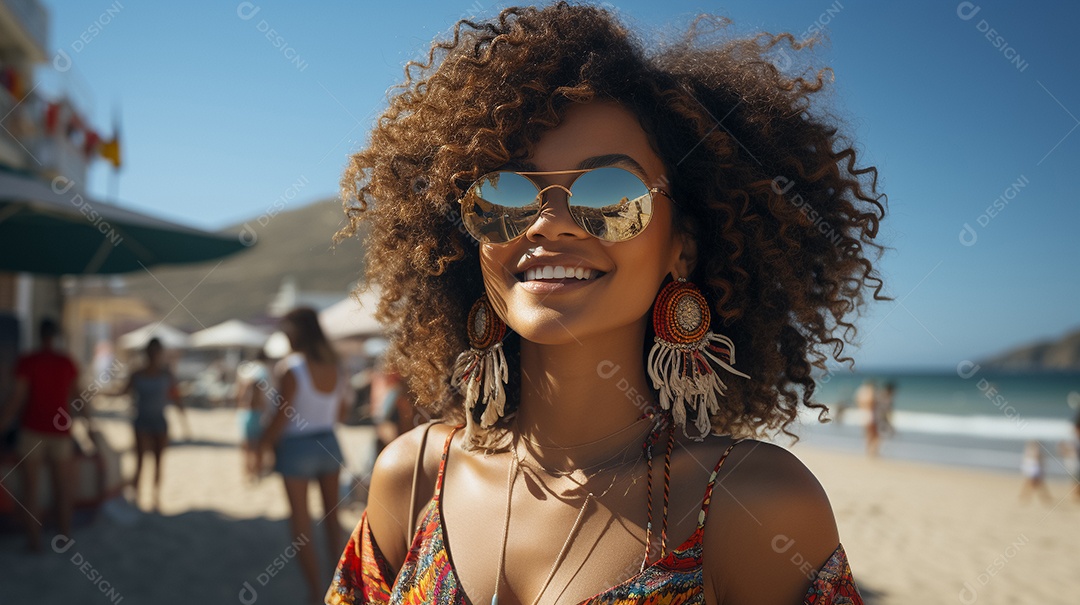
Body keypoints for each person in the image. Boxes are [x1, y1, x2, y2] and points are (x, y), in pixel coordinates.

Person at [326, 5, 887, 604]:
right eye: (505, 195)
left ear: (683, 248)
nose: (549, 224)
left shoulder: (751, 504)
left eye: (611, 194)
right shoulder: (411, 478)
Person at [258, 307, 350, 604]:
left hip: (296, 447)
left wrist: (262, 445)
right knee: (333, 522)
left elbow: (281, 417)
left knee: (301, 525)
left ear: (296, 332)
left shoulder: (292, 367)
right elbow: (341, 413)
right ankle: (341, 589)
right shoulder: (335, 366)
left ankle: (314, 593)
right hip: (329, 442)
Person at [0, 318, 84, 552]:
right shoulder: (66, 362)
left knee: (31, 490)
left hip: (32, 431)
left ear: (39, 335)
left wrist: (2, 423)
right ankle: (65, 537)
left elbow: (17, 399)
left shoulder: (28, 362)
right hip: (60, 432)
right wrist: (89, 425)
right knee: (62, 488)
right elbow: (78, 397)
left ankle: (34, 542)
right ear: (55, 335)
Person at [121, 337, 186, 511]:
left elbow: (176, 397)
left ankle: (155, 497)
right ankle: (137, 496)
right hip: (142, 421)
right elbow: (122, 392)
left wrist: (184, 423)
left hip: (159, 422)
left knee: (158, 462)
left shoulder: (166, 374)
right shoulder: (137, 374)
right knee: (140, 462)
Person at [235, 348, 274, 482]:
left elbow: (239, 392)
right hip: (257, 412)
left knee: (246, 445)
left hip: (243, 412)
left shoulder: (244, 370)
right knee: (257, 445)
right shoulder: (262, 370)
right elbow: (260, 391)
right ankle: (256, 471)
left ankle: (247, 472)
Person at [1019, 440, 1053, 505]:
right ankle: (1044, 497)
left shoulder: (1030, 451)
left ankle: (1024, 496)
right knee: (1035, 483)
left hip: (1033, 469)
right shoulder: (1035, 451)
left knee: (1033, 483)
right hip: (1034, 470)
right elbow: (1039, 461)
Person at [854, 379, 880, 457]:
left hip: (862, 413)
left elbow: (857, 401)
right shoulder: (869, 392)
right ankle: (871, 450)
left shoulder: (860, 391)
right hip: (869, 414)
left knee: (869, 433)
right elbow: (871, 403)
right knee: (873, 433)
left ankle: (869, 450)